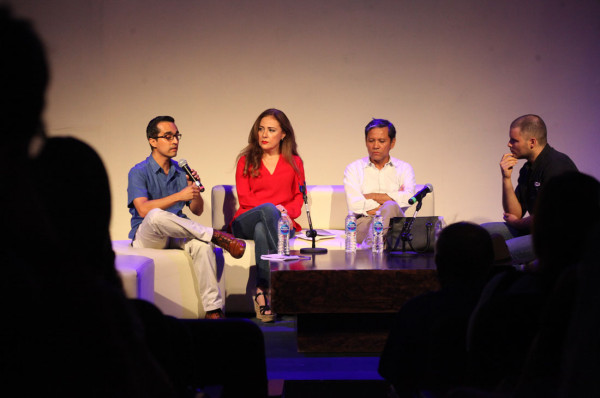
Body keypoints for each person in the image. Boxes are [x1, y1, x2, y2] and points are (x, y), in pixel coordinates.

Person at [128, 115, 246, 319]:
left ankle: (213, 311)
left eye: (176, 136)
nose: (175, 141)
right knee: (156, 214)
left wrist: (194, 191)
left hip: (176, 233)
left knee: (202, 245)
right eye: (168, 136)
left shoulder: (180, 169)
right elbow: (143, 210)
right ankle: (215, 235)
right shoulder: (138, 171)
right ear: (152, 141)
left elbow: (197, 210)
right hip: (148, 236)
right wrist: (179, 196)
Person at [379, 222, 494, 397]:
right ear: (490, 263)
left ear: (438, 264)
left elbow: (392, 372)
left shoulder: (417, 310)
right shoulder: (505, 312)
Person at [231, 108, 305, 322]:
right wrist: (276, 208)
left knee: (262, 230)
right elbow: (245, 199)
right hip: (246, 219)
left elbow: (298, 199)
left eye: (271, 130)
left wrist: (285, 212)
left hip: (281, 223)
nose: (264, 134)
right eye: (261, 129)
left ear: (283, 135)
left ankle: (263, 291)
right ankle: (287, 276)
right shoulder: (246, 160)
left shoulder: (294, 162)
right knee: (266, 212)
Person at [481, 114, 577, 265]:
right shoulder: (528, 168)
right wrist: (506, 178)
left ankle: (511, 285)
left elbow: (549, 218)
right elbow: (515, 213)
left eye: (514, 140)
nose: (509, 144)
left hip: (557, 237)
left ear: (532, 142)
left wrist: (518, 223)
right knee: (482, 234)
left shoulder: (557, 166)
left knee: (503, 250)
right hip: (536, 230)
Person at [343, 118, 416, 248]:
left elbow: (409, 199)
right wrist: (392, 199)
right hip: (363, 223)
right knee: (390, 206)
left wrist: (372, 197)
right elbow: (355, 205)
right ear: (366, 142)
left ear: (392, 143)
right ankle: (377, 245)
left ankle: (371, 247)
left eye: (381, 141)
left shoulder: (404, 168)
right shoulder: (353, 168)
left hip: (396, 222)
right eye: (371, 141)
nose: (375, 146)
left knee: (390, 206)